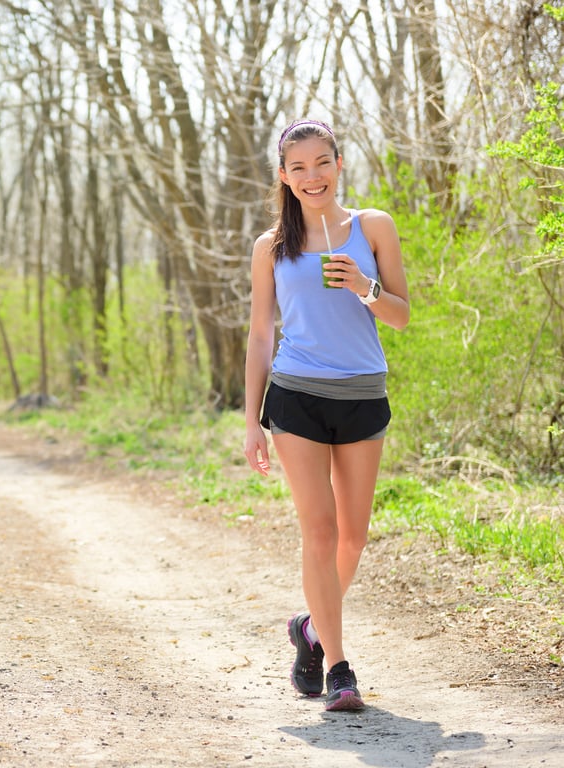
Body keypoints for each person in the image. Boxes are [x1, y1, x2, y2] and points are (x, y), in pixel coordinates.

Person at [243, 119, 410, 712]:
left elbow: (400, 316)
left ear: (338, 165)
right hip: (296, 397)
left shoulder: (373, 227)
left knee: (354, 536)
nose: (312, 176)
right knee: (320, 530)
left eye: (322, 163)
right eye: (298, 168)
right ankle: (340, 668)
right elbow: (261, 334)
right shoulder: (272, 247)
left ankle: (309, 628)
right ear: (284, 178)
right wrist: (250, 422)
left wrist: (364, 287)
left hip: (363, 393)